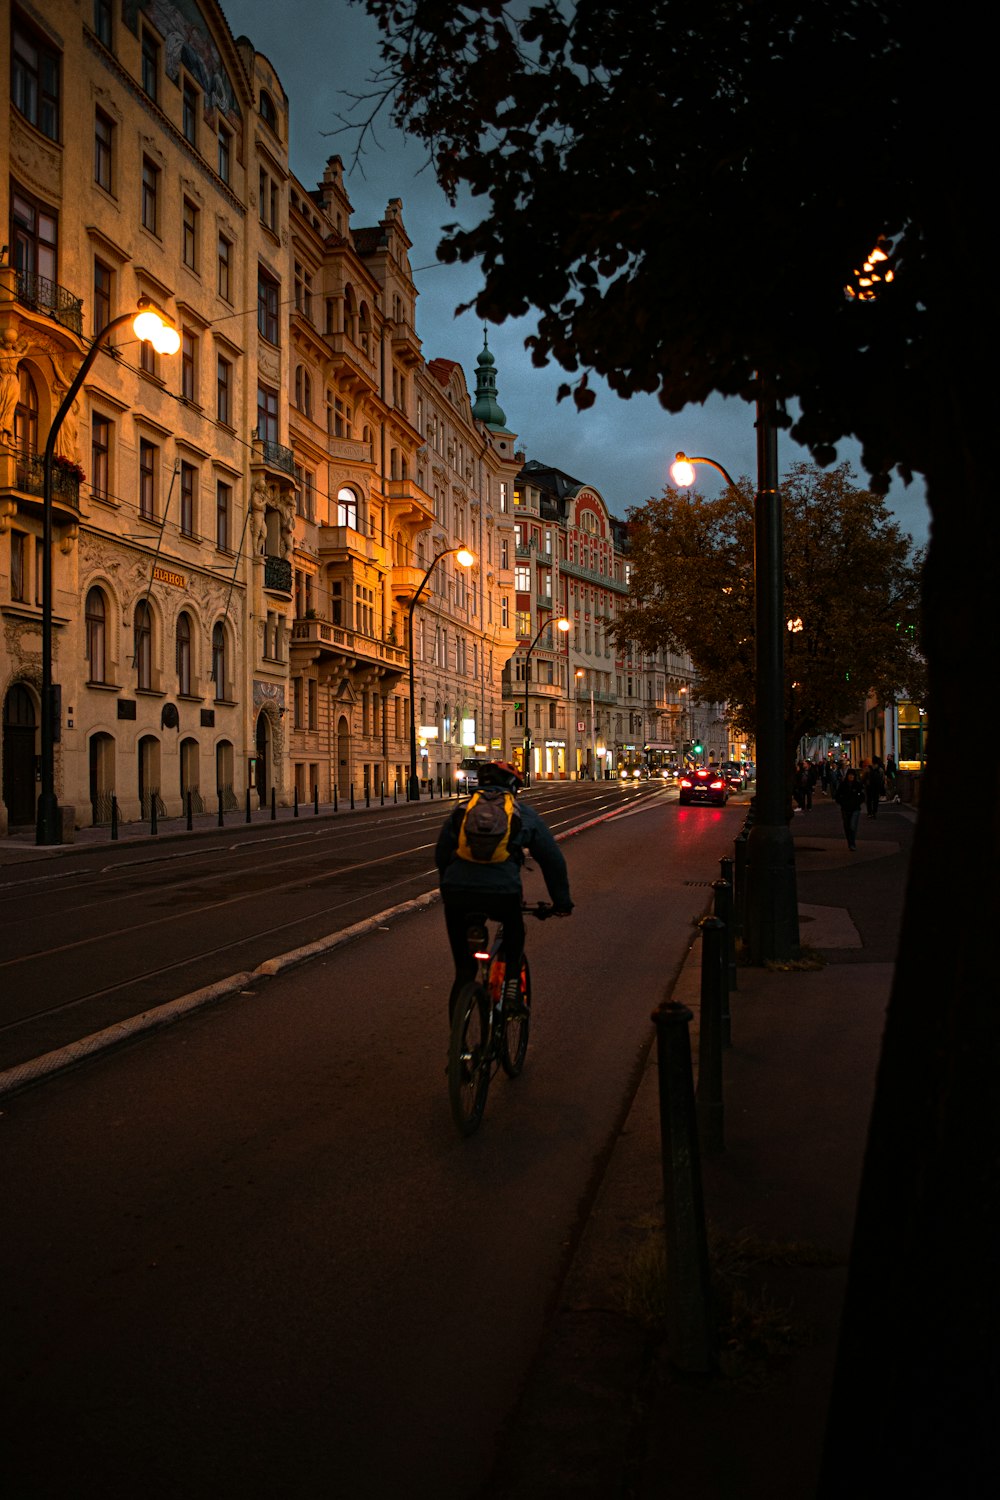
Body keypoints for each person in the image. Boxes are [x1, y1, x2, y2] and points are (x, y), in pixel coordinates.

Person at [435, 761, 572, 1020]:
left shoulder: (462, 810)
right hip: (502, 892)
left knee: (464, 972)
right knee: (514, 929)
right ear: (514, 787)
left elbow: (442, 854)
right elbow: (552, 860)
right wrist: (562, 902)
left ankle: (458, 1052)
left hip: (458, 895)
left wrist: (448, 888)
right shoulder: (523, 814)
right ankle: (510, 990)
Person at [835, 767, 865, 851]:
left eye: (852, 775)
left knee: (852, 826)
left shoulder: (857, 785)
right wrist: (842, 802)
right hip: (845, 808)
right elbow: (837, 796)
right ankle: (850, 842)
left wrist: (858, 801)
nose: (851, 777)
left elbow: (862, 796)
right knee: (847, 826)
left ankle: (852, 843)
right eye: (850, 775)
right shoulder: (843, 785)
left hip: (855, 808)